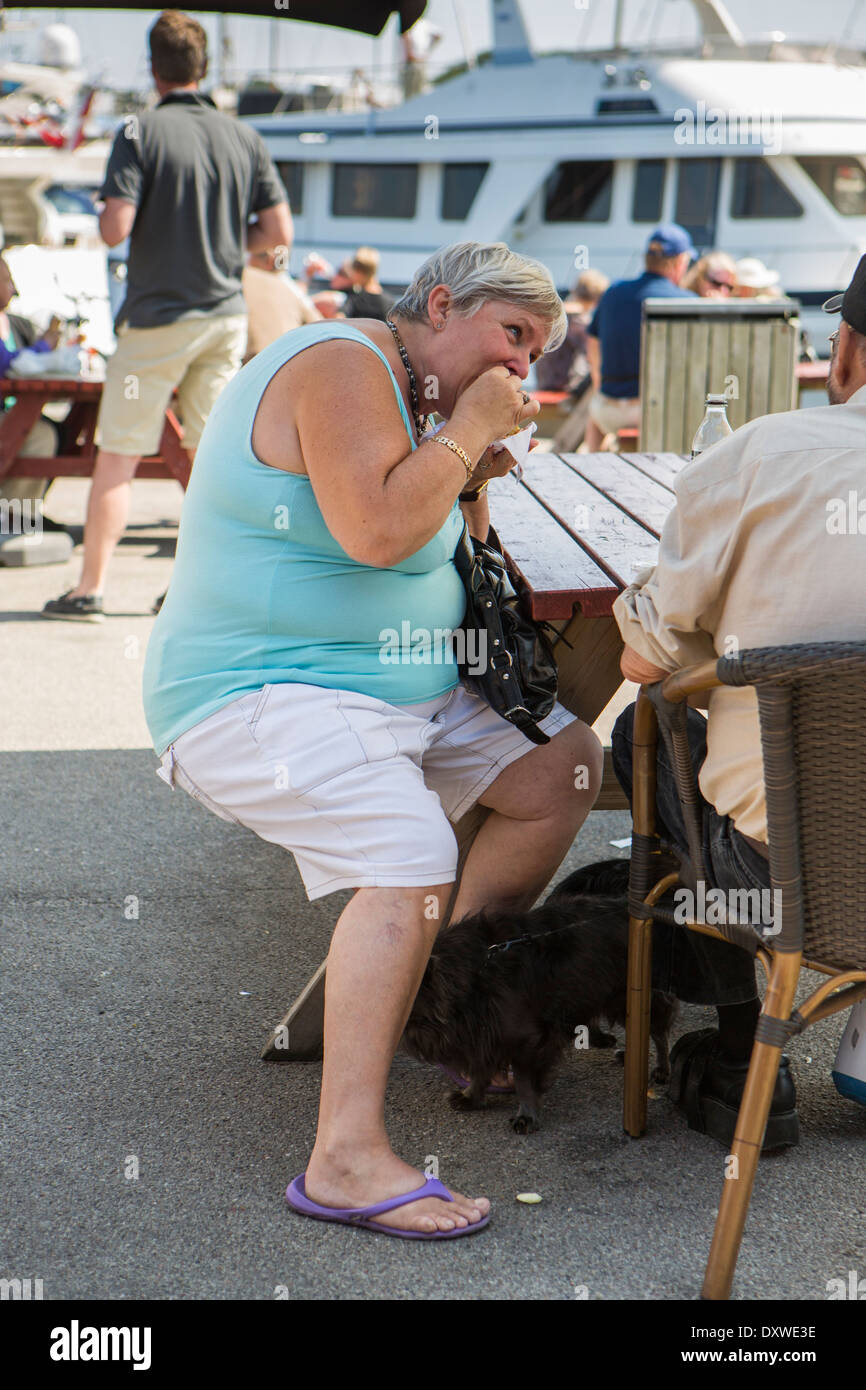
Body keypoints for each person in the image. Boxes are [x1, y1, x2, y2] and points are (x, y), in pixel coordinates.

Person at [141, 240, 604, 1237]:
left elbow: (454, 543)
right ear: (439, 306)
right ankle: (342, 1157)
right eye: (511, 336)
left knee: (559, 768)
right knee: (409, 856)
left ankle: (447, 999)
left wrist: (470, 462)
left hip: (389, 695)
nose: (522, 367)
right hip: (258, 693)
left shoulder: (421, 401)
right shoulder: (341, 364)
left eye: (535, 351)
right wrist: (471, 424)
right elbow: (377, 533)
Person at [608, 252, 866, 1150]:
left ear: (845, 355)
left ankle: (735, 1050)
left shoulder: (766, 453)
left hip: (792, 879)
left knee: (645, 734)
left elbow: (644, 660)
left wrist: (701, 629)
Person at [42, 9, 292, 622]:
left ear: (153, 68)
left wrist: (111, 213)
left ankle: (90, 589)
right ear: (202, 67)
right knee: (211, 462)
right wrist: (229, 246)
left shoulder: (137, 131)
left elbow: (114, 227)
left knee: (119, 456)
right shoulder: (244, 136)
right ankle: (199, 592)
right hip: (224, 317)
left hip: (157, 318)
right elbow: (279, 234)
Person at [584, 223, 696, 452]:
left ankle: (590, 462)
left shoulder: (613, 291)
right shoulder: (686, 301)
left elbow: (592, 341)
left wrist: (599, 383)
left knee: (594, 417)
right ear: (679, 262)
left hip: (607, 410)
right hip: (652, 411)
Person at [0, 255, 63, 523]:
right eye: (6, 281)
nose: (13, 288)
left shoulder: (15, 323)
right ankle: (16, 518)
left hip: (10, 409)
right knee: (40, 434)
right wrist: (45, 346)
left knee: (58, 430)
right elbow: (7, 364)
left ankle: (21, 513)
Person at [534, 268, 609, 393]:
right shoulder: (579, 320)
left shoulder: (557, 313)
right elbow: (593, 355)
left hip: (544, 382)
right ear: (598, 300)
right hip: (562, 387)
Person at [241, 249, 322, 362]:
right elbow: (318, 325)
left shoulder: (240, 278)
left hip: (249, 363)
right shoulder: (290, 288)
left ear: (270, 260)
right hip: (286, 363)